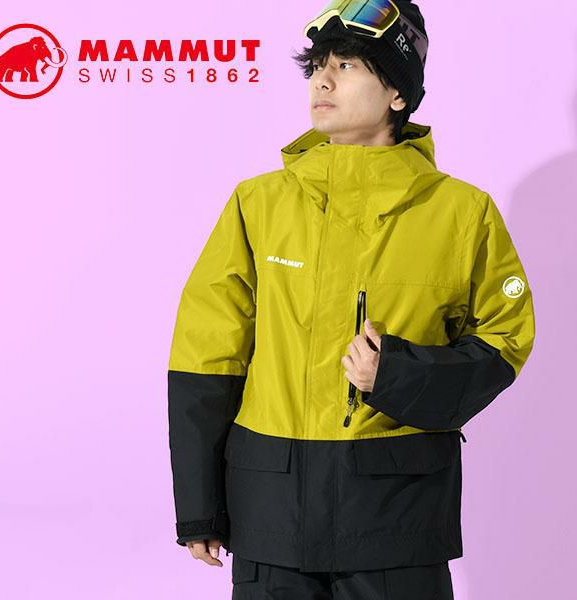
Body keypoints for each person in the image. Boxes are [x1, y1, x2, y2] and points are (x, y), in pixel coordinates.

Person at [167, 1, 536, 598]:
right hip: (272, 516)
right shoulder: (257, 205)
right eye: (318, 66)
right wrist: (200, 505)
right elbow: (206, 356)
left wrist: (398, 373)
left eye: (347, 65)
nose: (323, 80)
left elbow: (505, 340)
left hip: (396, 520)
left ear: (398, 93)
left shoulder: (463, 213)